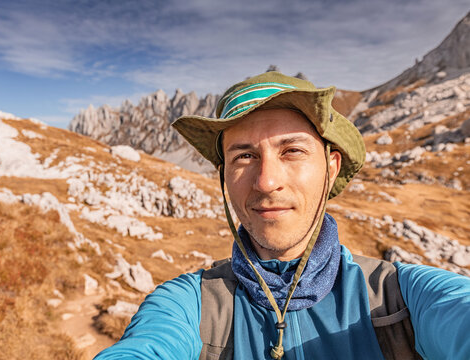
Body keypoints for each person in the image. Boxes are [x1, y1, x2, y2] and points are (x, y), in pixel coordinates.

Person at [95, 72, 470, 359]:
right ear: (224, 174)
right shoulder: (187, 304)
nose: (266, 181)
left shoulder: (402, 296)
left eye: (291, 150)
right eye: (243, 156)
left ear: (331, 167)